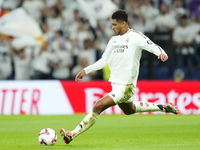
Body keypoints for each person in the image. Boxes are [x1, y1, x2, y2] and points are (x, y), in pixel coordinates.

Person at [60, 9, 178, 144]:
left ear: (123, 24)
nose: (112, 27)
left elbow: (151, 45)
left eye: (115, 24)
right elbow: (104, 60)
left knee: (98, 106)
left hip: (126, 85)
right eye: (112, 24)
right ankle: (163, 107)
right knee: (130, 110)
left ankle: (72, 134)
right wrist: (86, 70)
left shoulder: (135, 36)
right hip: (115, 85)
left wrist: (161, 53)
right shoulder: (113, 41)